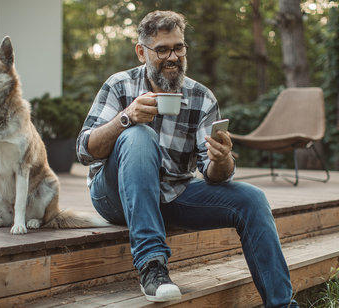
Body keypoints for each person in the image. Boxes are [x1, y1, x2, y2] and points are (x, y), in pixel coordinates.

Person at [77, 10, 298, 308]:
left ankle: (282, 305)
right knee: (139, 136)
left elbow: (214, 174)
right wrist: (125, 119)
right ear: (142, 52)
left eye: (178, 47)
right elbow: (84, 150)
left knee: (252, 198)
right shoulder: (120, 85)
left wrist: (222, 159)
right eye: (162, 49)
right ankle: (152, 267)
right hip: (114, 196)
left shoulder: (201, 97)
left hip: (172, 194)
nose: (172, 57)